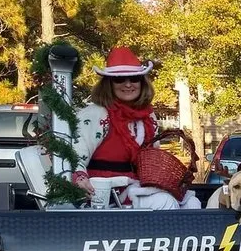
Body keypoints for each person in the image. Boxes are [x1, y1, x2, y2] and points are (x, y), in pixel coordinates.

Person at [72, 46, 199, 209]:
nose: (128, 84)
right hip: (106, 193)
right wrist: (80, 179)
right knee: (165, 203)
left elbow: (151, 159)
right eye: (119, 79)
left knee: (192, 203)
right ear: (108, 84)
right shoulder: (96, 114)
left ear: (142, 82)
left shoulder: (148, 116)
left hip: (139, 186)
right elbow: (74, 155)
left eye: (134, 78)